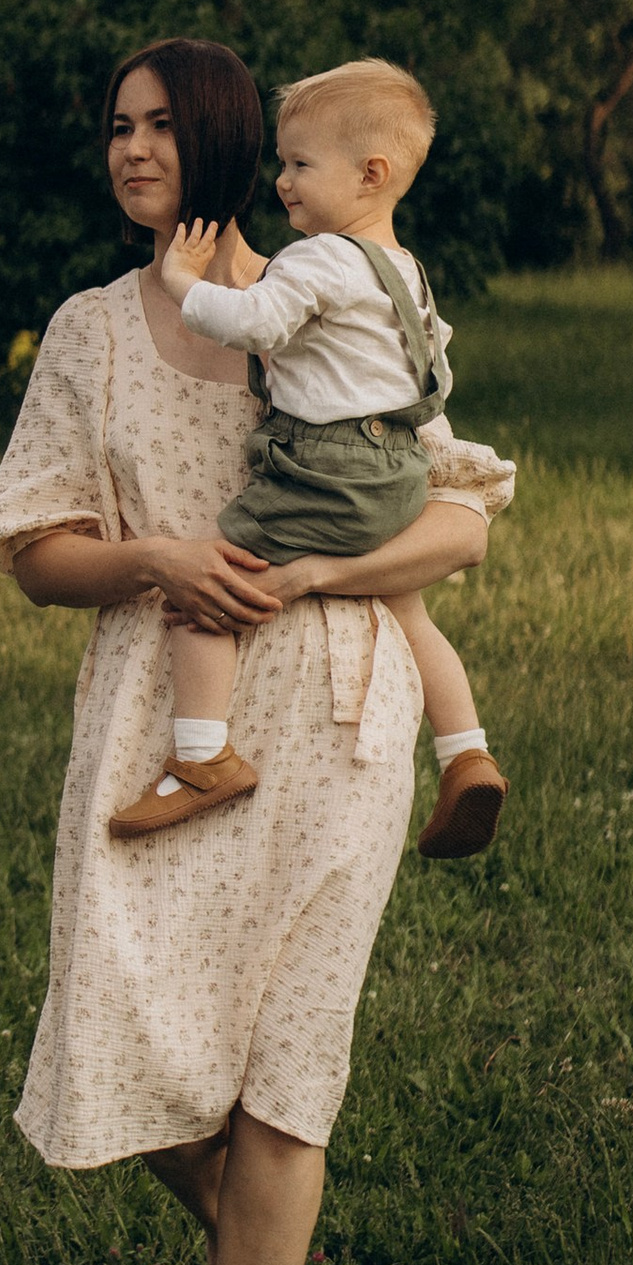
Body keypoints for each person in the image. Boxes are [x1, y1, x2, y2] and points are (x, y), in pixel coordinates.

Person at [0, 35, 501, 1265]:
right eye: (114, 127)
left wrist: (321, 565)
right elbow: (34, 551)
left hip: (335, 717)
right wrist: (154, 557)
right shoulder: (90, 330)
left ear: (217, 141)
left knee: (289, 1079)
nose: (131, 150)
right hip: (166, 717)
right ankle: (260, 1243)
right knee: (123, 1023)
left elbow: (461, 524)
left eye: (158, 126)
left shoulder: (336, 289)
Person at [110, 57, 513, 862]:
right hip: (395, 465)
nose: (283, 181)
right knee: (409, 608)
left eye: (299, 165)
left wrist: (184, 280)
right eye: (283, 162)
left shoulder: (320, 260)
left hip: (325, 467)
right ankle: (465, 751)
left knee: (212, 581)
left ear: (371, 175)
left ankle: (202, 756)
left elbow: (255, 322)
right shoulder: (405, 271)